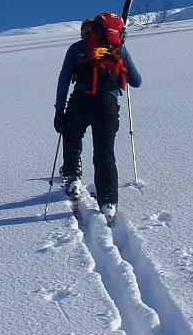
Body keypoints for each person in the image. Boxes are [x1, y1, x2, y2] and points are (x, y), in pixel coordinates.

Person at [53, 14, 141, 225]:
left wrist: (59, 109)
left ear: (87, 31)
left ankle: (73, 178)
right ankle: (108, 202)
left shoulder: (77, 48)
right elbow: (136, 81)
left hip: (81, 100)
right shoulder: (118, 49)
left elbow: (64, 77)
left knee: (72, 135)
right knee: (104, 151)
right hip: (108, 105)